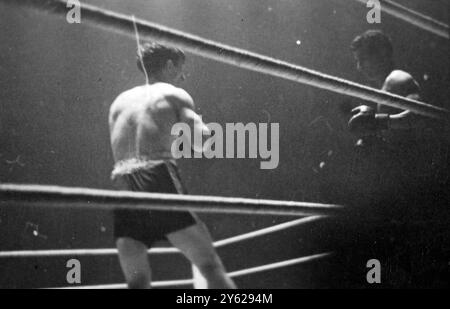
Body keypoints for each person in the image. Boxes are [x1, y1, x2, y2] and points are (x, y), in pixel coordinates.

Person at [108, 42, 236, 289]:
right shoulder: (173, 94)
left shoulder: (119, 101)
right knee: (209, 265)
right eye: (179, 69)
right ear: (168, 66)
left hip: (121, 183)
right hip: (157, 177)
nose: (182, 76)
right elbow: (202, 143)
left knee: (137, 281)